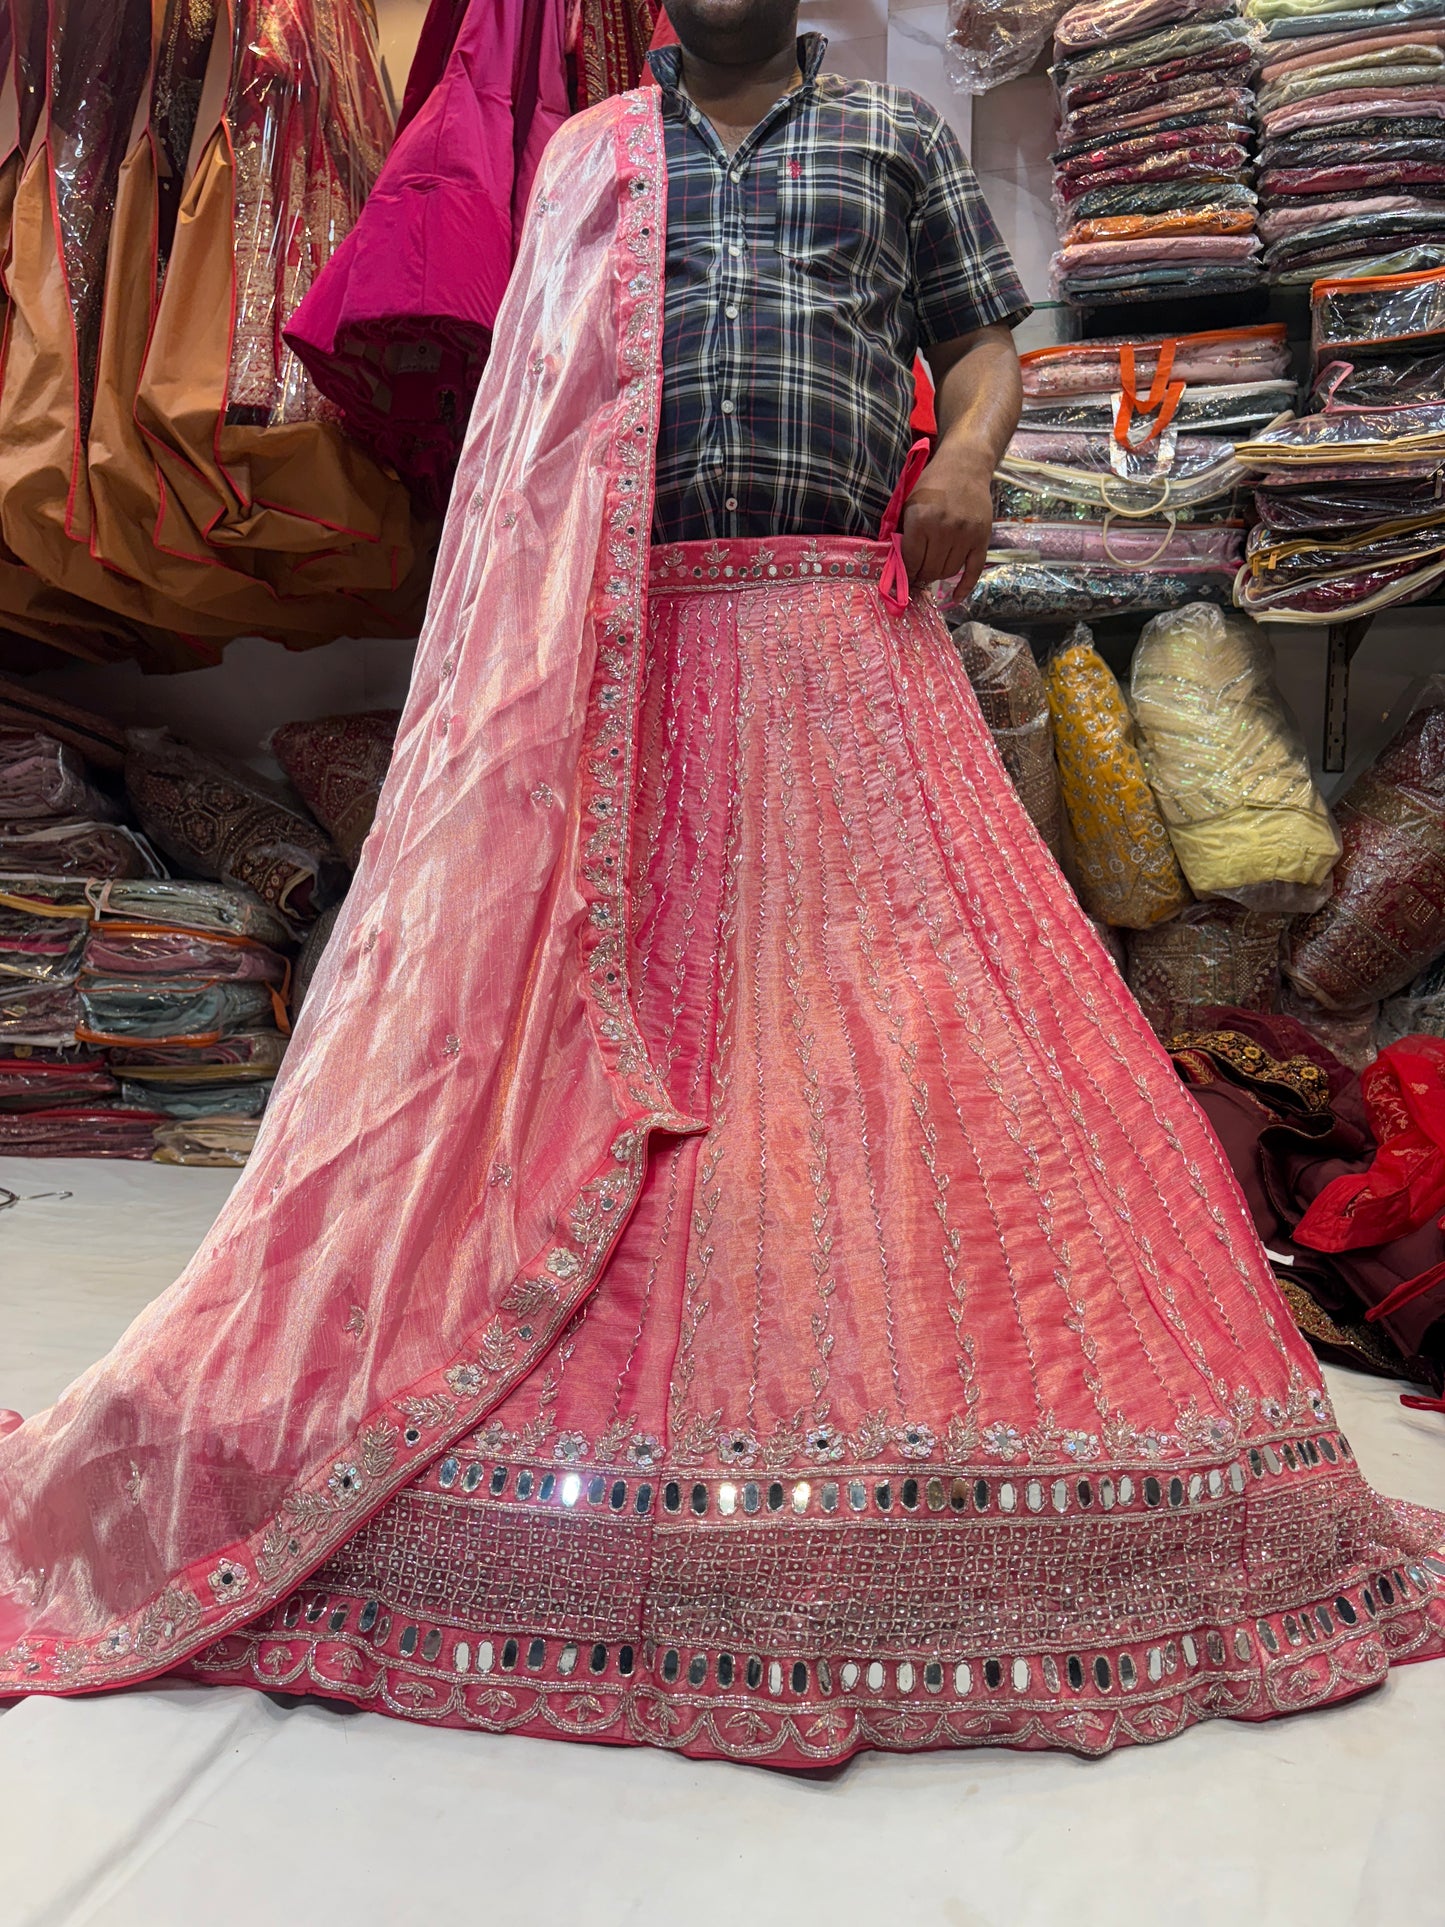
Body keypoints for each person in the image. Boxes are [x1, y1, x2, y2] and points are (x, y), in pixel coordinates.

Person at [1, 0, 1442, 1767]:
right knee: (621, 1016)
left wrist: (970, 463)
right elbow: (531, 432)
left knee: (896, 1019)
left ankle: (879, 1415)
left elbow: (981, 345)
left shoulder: (896, 143)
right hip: (622, 662)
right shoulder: (587, 155)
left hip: (845, 638)